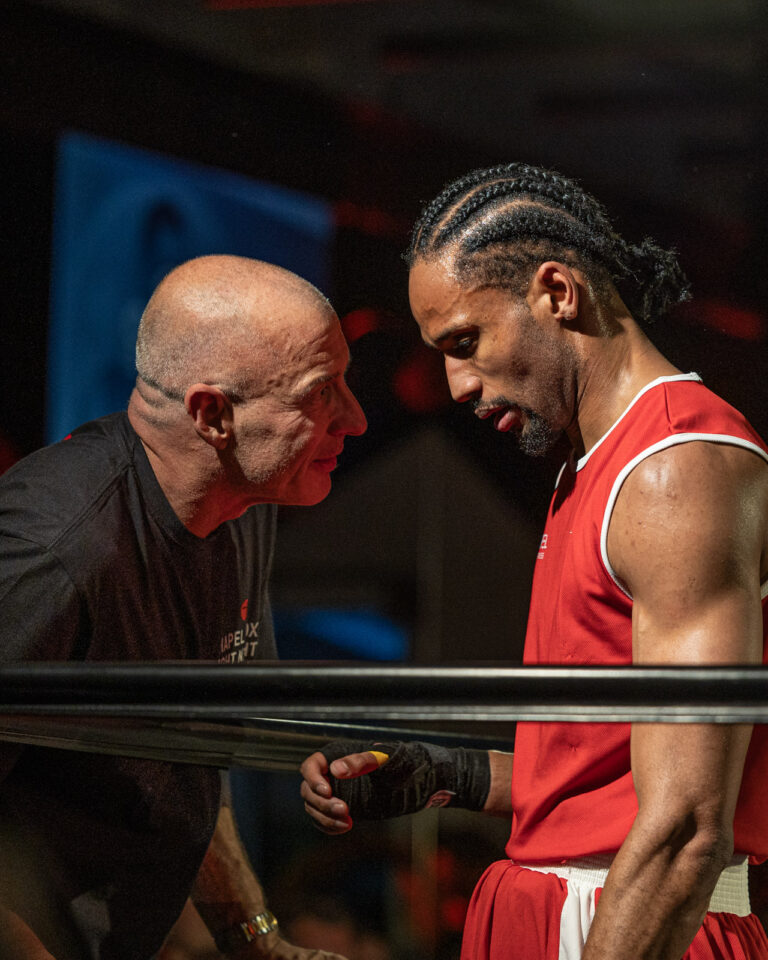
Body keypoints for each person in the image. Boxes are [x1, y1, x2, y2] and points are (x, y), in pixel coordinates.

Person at [300, 163, 768, 960]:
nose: (455, 383)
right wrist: (448, 772)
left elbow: (685, 828)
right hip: (563, 907)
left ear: (557, 292)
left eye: (466, 342)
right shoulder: (593, 464)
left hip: (637, 922)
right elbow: (604, 771)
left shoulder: (674, 469)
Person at [0, 254, 367, 960]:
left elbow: (186, 765)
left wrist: (255, 939)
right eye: (322, 392)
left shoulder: (243, 504)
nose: (354, 417)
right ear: (213, 415)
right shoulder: (57, 548)